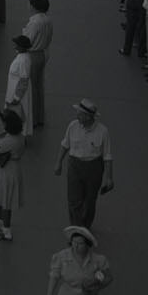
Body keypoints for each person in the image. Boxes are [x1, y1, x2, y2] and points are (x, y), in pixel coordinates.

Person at [54, 98, 114, 228]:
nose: (77, 116)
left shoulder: (103, 131)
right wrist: (58, 162)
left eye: (80, 114)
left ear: (89, 117)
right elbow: (65, 145)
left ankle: (85, 226)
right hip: (75, 165)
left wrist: (109, 178)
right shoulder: (73, 126)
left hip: (94, 167)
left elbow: (107, 156)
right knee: (74, 201)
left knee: (90, 201)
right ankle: (77, 231)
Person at [0, 108, 26, 241]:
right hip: (9, 169)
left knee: (6, 202)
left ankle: (6, 231)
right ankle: (0, 223)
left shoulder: (9, 141)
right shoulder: (19, 136)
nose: (1, 125)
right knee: (0, 198)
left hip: (8, 172)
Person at [22, 0, 53, 127]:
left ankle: (32, 118)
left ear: (34, 7)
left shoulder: (34, 22)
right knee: (39, 86)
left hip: (33, 54)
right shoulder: (47, 20)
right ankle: (39, 116)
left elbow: (27, 40)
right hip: (42, 53)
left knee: (31, 88)